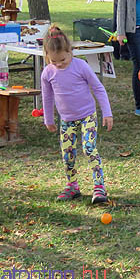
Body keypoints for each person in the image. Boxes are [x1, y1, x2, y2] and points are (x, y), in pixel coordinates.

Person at [40, 25, 113, 204]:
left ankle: (99, 186)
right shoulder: (48, 72)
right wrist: (48, 119)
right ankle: (72, 186)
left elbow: (98, 88)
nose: (58, 64)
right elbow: (47, 96)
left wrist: (107, 113)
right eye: (53, 61)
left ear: (70, 51)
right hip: (66, 120)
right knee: (68, 153)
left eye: (62, 60)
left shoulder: (81, 66)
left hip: (87, 115)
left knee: (89, 148)